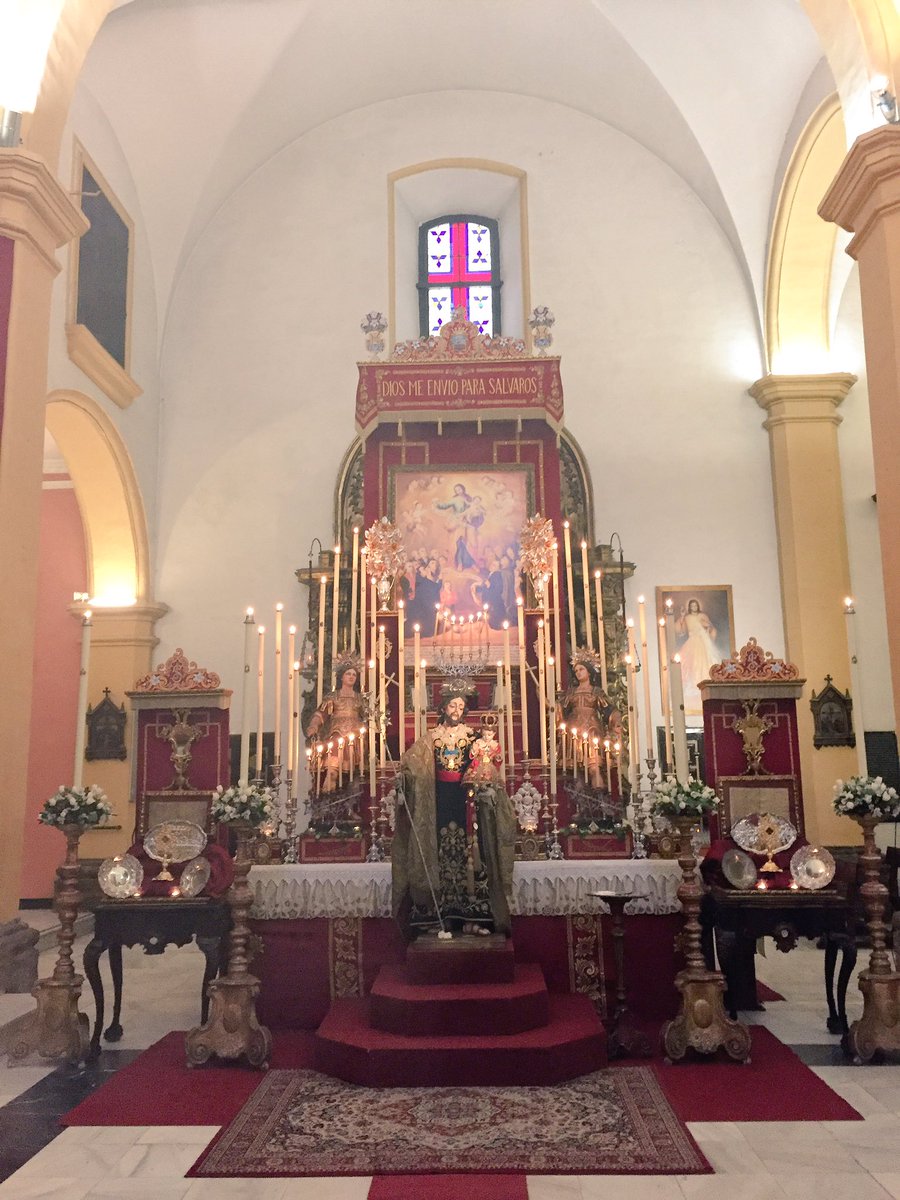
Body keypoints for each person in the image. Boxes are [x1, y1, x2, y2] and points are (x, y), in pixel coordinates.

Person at [391, 684, 516, 939]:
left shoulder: (472, 737)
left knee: (471, 857)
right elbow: (411, 767)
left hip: (466, 803)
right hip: (436, 802)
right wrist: (403, 780)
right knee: (437, 856)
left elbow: (484, 765)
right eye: (452, 705)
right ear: (443, 707)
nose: (456, 710)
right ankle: (439, 917)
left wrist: (487, 786)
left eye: (460, 706)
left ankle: (473, 917)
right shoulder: (430, 739)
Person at [557, 653, 622, 789]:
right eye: (576, 671)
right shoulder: (571, 693)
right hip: (573, 731)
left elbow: (609, 709)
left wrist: (616, 721)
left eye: (581, 669)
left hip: (592, 730)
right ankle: (581, 805)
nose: (578, 673)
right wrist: (547, 701)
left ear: (589, 671)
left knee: (594, 768)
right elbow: (559, 708)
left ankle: (600, 803)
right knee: (577, 773)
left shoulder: (596, 692)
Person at [304, 657, 367, 793]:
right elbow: (321, 713)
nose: (351, 677)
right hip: (336, 733)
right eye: (348, 674)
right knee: (336, 740)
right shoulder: (333, 697)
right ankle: (331, 776)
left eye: (354, 674)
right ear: (341, 677)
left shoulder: (359, 698)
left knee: (351, 742)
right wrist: (314, 725)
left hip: (356, 736)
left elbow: (368, 716)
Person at [675, 598, 719, 707]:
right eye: (692, 606)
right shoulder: (687, 617)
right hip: (692, 641)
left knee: (702, 662)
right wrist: (681, 616)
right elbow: (681, 631)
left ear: (697, 606)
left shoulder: (702, 616)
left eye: (695, 605)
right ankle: (692, 685)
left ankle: (703, 684)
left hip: (702, 642)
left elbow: (711, 628)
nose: (694, 607)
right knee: (688, 662)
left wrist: (707, 629)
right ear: (689, 607)